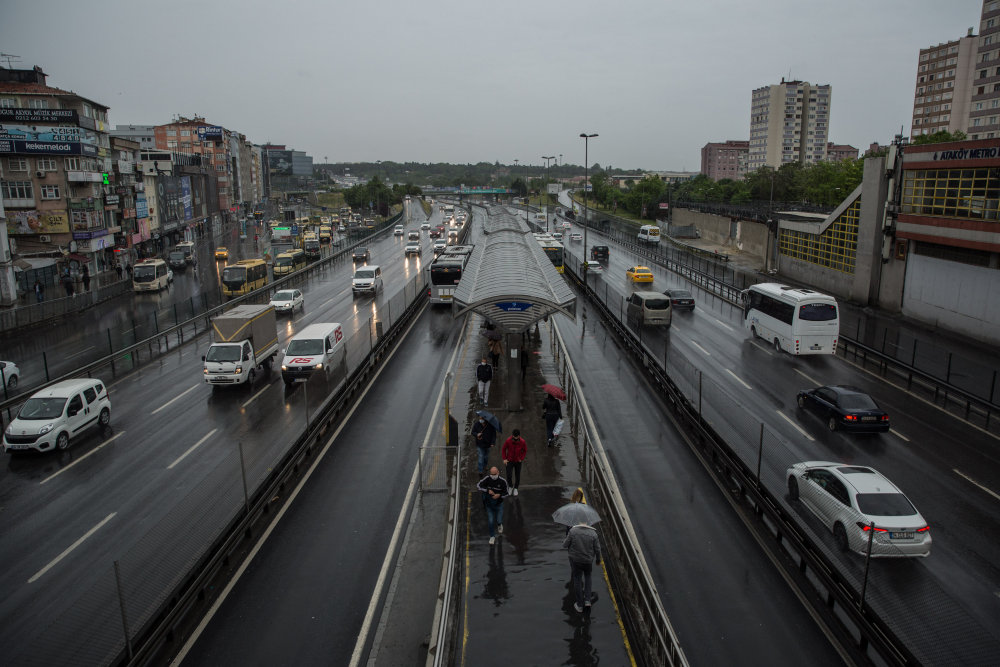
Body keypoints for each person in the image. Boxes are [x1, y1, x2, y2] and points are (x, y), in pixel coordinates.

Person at [564, 520, 602, 612]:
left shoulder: (573, 531)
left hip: (575, 560)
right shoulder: (593, 534)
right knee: (588, 577)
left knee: (577, 579)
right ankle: (588, 600)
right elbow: (597, 549)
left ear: (579, 521)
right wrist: (598, 560)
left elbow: (565, 544)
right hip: (588, 561)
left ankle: (580, 605)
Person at [477, 466, 509, 545]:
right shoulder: (487, 479)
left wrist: (499, 495)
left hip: (499, 504)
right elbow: (478, 486)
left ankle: (499, 524)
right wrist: (488, 490)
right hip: (489, 504)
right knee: (490, 521)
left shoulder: (503, 481)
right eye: (492, 474)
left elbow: (507, 493)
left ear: (498, 473)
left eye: (494, 474)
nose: (493, 476)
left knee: (499, 520)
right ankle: (492, 536)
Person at [501, 429, 526, 497]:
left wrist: (521, 458)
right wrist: (504, 459)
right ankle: (510, 486)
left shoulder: (522, 442)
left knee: (517, 476)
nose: (515, 439)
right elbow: (504, 449)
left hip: (518, 461)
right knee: (509, 475)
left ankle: (516, 488)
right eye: (514, 437)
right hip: (509, 461)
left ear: (519, 436)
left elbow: (525, 450)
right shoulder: (508, 440)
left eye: (517, 437)